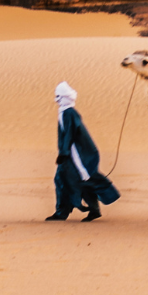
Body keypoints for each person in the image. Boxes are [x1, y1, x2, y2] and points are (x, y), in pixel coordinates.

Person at [48, 82, 110, 221]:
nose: (56, 100)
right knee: (75, 180)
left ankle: (63, 212)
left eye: (58, 97)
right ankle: (86, 210)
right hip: (72, 155)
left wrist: (63, 153)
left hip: (76, 156)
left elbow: (70, 134)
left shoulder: (69, 113)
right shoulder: (65, 112)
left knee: (69, 180)